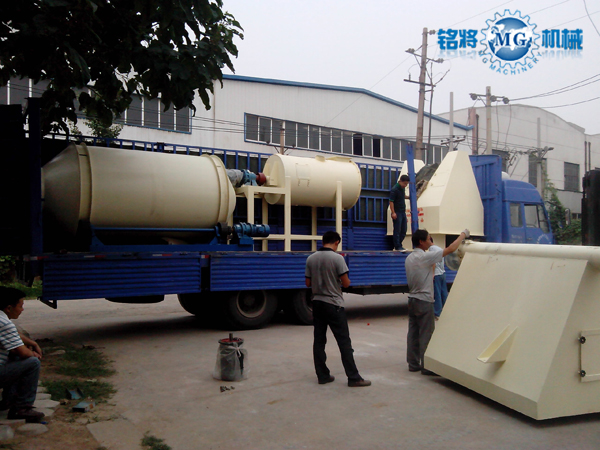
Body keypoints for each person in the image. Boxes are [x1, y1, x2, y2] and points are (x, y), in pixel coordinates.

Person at [305, 231, 371, 387]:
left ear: (323, 241)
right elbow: (346, 283)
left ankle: (322, 376)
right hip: (333, 304)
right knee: (344, 342)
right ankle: (354, 378)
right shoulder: (337, 258)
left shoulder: (311, 258)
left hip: (317, 303)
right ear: (336, 242)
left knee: (319, 341)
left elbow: (308, 283)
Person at [405, 229, 469, 375]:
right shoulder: (424, 257)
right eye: (428, 239)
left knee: (413, 333)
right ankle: (427, 366)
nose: (430, 241)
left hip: (412, 299)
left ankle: (413, 363)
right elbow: (450, 249)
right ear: (421, 242)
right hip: (424, 300)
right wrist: (462, 235)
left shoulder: (409, 258)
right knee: (426, 333)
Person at [0, 287, 44, 422]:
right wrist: (34, 353)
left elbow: (14, 335)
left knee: (14, 355)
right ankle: (22, 408)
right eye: (20, 306)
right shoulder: (4, 324)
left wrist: (32, 343)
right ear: (9, 308)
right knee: (32, 363)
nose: (22, 309)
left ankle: (8, 400)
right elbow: (24, 353)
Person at [389, 175, 410, 250]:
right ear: (400, 181)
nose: (405, 185)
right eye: (404, 183)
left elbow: (403, 196)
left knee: (404, 230)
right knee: (397, 230)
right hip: (397, 212)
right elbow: (391, 201)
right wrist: (393, 212)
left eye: (406, 184)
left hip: (402, 212)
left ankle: (399, 244)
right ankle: (397, 246)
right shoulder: (394, 189)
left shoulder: (402, 188)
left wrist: (409, 197)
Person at [429, 238, 449, 320]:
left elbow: (433, 262)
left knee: (437, 294)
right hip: (442, 273)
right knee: (444, 293)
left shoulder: (431, 249)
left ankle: (437, 313)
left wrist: (432, 274)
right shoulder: (439, 248)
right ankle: (447, 311)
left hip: (437, 274)